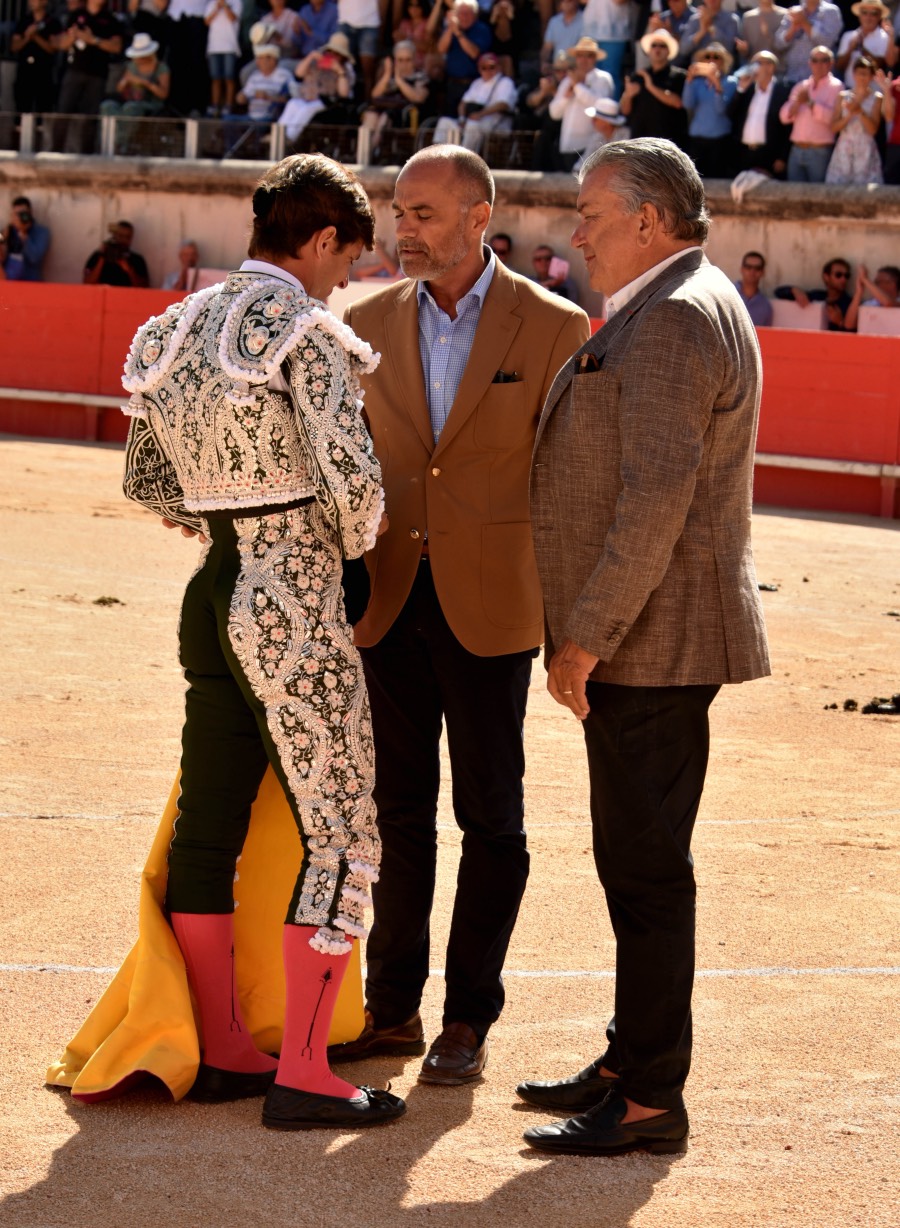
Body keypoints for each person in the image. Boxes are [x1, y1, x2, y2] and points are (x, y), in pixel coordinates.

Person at [62, 154, 405, 1131]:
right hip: (289, 593)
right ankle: (305, 1071)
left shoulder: (169, 330)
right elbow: (356, 491)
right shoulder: (304, 330)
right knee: (342, 831)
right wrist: (342, 552)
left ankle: (219, 1048)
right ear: (323, 239)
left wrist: (216, 512)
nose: (343, 279)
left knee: (208, 823)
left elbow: (146, 479)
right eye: (346, 259)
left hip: (211, 590)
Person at [520, 136, 770, 1157]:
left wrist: (585, 636)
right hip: (656, 635)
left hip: (652, 642)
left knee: (646, 869)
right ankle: (633, 1061)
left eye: (590, 215)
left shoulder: (671, 318)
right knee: (637, 860)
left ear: (648, 221)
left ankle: (652, 1095)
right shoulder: (681, 300)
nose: (576, 233)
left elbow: (655, 498)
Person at [328, 146, 590, 1085]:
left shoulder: (555, 325)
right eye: (399, 212)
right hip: (389, 598)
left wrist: (572, 623)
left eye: (425, 213)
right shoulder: (362, 320)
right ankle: (393, 1007)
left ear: (480, 217)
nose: (403, 230)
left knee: (492, 817)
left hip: (496, 605)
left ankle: (468, 1019)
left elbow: (571, 480)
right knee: (396, 814)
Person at [54, 0, 124, 151]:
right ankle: (55, 151)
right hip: (74, 71)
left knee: (91, 117)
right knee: (63, 112)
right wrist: (73, 36)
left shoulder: (110, 19)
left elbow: (117, 47)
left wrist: (93, 40)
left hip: (97, 75)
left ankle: (87, 153)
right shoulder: (76, 16)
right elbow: (61, 44)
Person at [548, 36, 615, 170]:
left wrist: (577, 86)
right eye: (580, 55)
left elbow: (601, 108)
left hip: (591, 146)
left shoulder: (603, 79)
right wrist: (566, 97)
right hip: (566, 145)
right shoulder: (567, 81)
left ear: (595, 58)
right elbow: (554, 113)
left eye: (589, 55)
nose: (584, 60)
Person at [432, 50, 517, 152]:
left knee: (473, 125)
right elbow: (463, 103)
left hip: (496, 123)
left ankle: (465, 158)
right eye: (484, 67)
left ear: (498, 67)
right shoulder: (477, 82)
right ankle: (439, 156)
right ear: (479, 69)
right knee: (444, 122)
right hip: (470, 121)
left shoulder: (505, 82)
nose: (488, 70)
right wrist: (462, 119)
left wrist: (480, 114)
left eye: (491, 67)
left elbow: (503, 104)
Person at [779, 44, 842, 180]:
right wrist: (798, 103)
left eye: (824, 60)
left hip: (820, 151)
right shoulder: (801, 86)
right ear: (810, 63)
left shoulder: (837, 87)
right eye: (815, 60)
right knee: (794, 191)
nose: (819, 64)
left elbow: (832, 119)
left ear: (831, 63)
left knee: (818, 191)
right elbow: (784, 117)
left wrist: (809, 102)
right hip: (796, 149)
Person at [620, 29, 688, 148]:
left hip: (669, 143)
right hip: (640, 142)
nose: (657, 49)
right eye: (654, 45)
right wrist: (628, 96)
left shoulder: (679, 76)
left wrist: (650, 86)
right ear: (649, 51)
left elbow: (677, 103)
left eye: (662, 46)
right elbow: (625, 111)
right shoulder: (638, 77)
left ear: (669, 51)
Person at [728, 49, 791, 175]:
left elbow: (787, 128)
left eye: (758, 63)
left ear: (771, 67)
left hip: (769, 155)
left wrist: (782, 157)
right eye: (753, 64)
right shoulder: (748, 90)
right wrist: (741, 90)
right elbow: (730, 114)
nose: (754, 68)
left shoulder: (783, 92)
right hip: (744, 153)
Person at [682, 42, 738, 177]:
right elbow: (687, 104)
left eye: (716, 57)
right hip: (697, 138)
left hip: (720, 139)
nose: (711, 60)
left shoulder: (731, 82)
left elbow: (721, 110)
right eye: (707, 57)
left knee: (717, 178)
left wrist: (716, 83)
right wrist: (689, 80)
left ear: (723, 62)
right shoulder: (697, 82)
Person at [825, 55, 883, 184]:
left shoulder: (877, 98)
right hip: (844, 150)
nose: (862, 77)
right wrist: (849, 115)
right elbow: (834, 127)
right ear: (853, 74)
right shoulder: (842, 96)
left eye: (865, 74)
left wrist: (860, 111)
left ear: (871, 77)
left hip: (866, 151)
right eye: (859, 73)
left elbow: (873, 130)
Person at [100, 32, 171, 120]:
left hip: (150, 103)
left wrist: (146, 83)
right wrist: (125, 82)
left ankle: (126, 129)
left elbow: (163, 94)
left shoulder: (161, 68)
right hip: (130, 100)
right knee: (107, 105)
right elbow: (119, 89)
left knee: (131, 107)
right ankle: (108, 128)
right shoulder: (132, 66)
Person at [774, 255, 854, 329]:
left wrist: (840, 322)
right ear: (826, 277)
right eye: (838, 275)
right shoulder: (817, 296)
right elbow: (778, 292)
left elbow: (854, 333)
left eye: (846, 276)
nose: (843, 279)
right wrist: (794, 290)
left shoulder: (850, 304)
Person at [11, 0, 61, 116]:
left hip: (44, 71)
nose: (32, 2)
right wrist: (27, 37)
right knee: (22, 108)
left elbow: (53, 49)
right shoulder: (24, 21)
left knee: (43, 108)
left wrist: (36, 36)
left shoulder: (52, 22)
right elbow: (14, 47)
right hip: (24, 70)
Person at [774, 0, 843, 84]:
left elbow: (827, 42)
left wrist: (804, 22)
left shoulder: (831, 11)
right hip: (791, 76)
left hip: (819, 80)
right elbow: (778, 44)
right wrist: (793, 28)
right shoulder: (794, 12)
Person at [834, 1, 896, 86]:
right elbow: (839, 67)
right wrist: (850, 49)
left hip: (874, 91)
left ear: (879, 16)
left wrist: (862, 48)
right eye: (864, 12)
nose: (868, 17)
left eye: (874, 13)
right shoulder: (848, 36)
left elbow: (882, 65)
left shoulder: (885, 37)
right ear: (859, 15)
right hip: (849, 89)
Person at [83, 221, 150, 288]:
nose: (124, 240)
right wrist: (102, 258)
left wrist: (129, 270)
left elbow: (144, 288)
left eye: (127, 237)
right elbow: (87, 283)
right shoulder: (98, 256)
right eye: (121, 236)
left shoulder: (137, 260)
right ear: (114, 235)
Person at [204, 0, 242, 117]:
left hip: (230, 47)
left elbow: (233, 18)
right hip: (214, 47)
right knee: (215, 78)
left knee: (229, 78)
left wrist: (225, 6)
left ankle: (229, 105)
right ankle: (215, 105)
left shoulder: (237, 2)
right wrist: (217, 8)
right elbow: (207, 21)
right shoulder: (211, 4)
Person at [3, 195, 51, 282]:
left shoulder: (41, 232)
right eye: (16, 214)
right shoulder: (8, 230)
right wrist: (3, 236)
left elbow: (35, 258)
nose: (20, 217)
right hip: (10, 282)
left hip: (31, 282)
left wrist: (23, 234)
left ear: (30, 213)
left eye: (23, 214)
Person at [844, 263, 900, 330]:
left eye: (878, 282)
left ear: (892, 284)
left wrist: (865, 279)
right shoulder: (870, 303)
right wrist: (859, 292)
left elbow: (888, 303)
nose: (875, 285)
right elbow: (849, 325)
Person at [734, 249, 774, 324]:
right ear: (742, 269)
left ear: (763, 272)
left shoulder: (765, 306)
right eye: (748, 267)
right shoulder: (727, 295)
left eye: (757, 268)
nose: (752, 271)